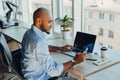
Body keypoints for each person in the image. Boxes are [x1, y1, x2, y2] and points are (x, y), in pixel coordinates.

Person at [21, 7, 86, 80]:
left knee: (66, 71)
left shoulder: (29, 33)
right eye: (49, 22)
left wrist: (60, 48)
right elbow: (53, 71)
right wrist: (74, 61)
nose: (51, 25)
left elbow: (40, 48)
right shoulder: (38, 41)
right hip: (39, 77)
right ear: (39, 21)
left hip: (30, 73)